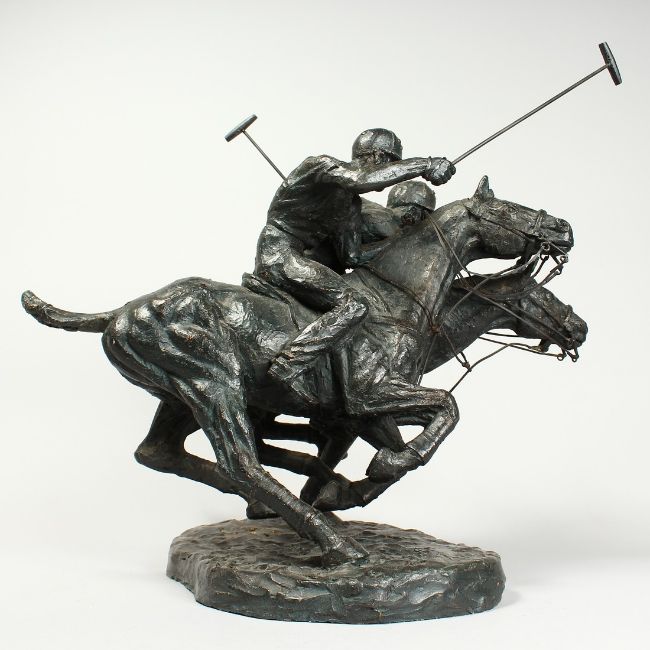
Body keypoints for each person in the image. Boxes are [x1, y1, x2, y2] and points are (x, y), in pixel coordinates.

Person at [249, 128, 455, 401]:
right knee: (354, 305)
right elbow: (361, 179)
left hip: (295, 258)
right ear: (378, 156)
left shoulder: (349, 206)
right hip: (279, 254)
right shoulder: (321, 166)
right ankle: (289, 365)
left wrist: (400, 244)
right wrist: (425, 165)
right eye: (390, 165)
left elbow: (352, 257)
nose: (388, 178)